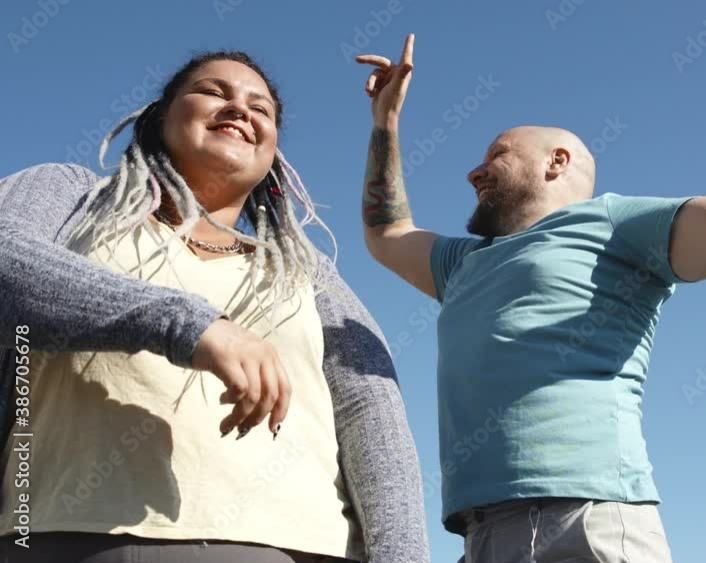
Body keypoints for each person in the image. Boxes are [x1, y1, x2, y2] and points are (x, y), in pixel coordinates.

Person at [356, 0, 706, 559]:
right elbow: (386, 231)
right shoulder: (461, 263)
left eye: (497, 154)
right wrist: (385, 122)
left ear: (556, 161)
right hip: (481, 532)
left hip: (587, 519)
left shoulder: (614, 223)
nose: (474, 172)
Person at [0, 51, 429, 562]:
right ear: (160, 117)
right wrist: (191, 325)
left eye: (260, 108)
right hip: (72, 532)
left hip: (302, 546)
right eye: (213, 92)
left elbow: (370, 407)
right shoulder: (73, 195)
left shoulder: (305, 267)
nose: (239, 109)